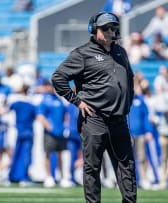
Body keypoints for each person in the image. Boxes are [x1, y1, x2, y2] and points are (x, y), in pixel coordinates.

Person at [51, 12, 136, 203]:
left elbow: (129, 79)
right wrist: (77, 101)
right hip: (94, 119)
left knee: (127, 166)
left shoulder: (121, 52)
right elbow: (58, 78)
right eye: (105, 28)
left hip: (119, 120)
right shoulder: (82, 54)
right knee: (92, 167)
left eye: (112, 28)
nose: (109, 31)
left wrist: (127, 103)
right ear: (94, 29)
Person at [36, 81, 73, 188]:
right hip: (50, 133)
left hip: (60, 132)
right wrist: (50, 128)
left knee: (60, 154)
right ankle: (48, 177)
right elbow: (40, 116)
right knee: (48, 153)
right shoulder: (44, 100)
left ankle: (62, 178)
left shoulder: (59, 100)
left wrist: (65, 127)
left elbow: (65, 114)